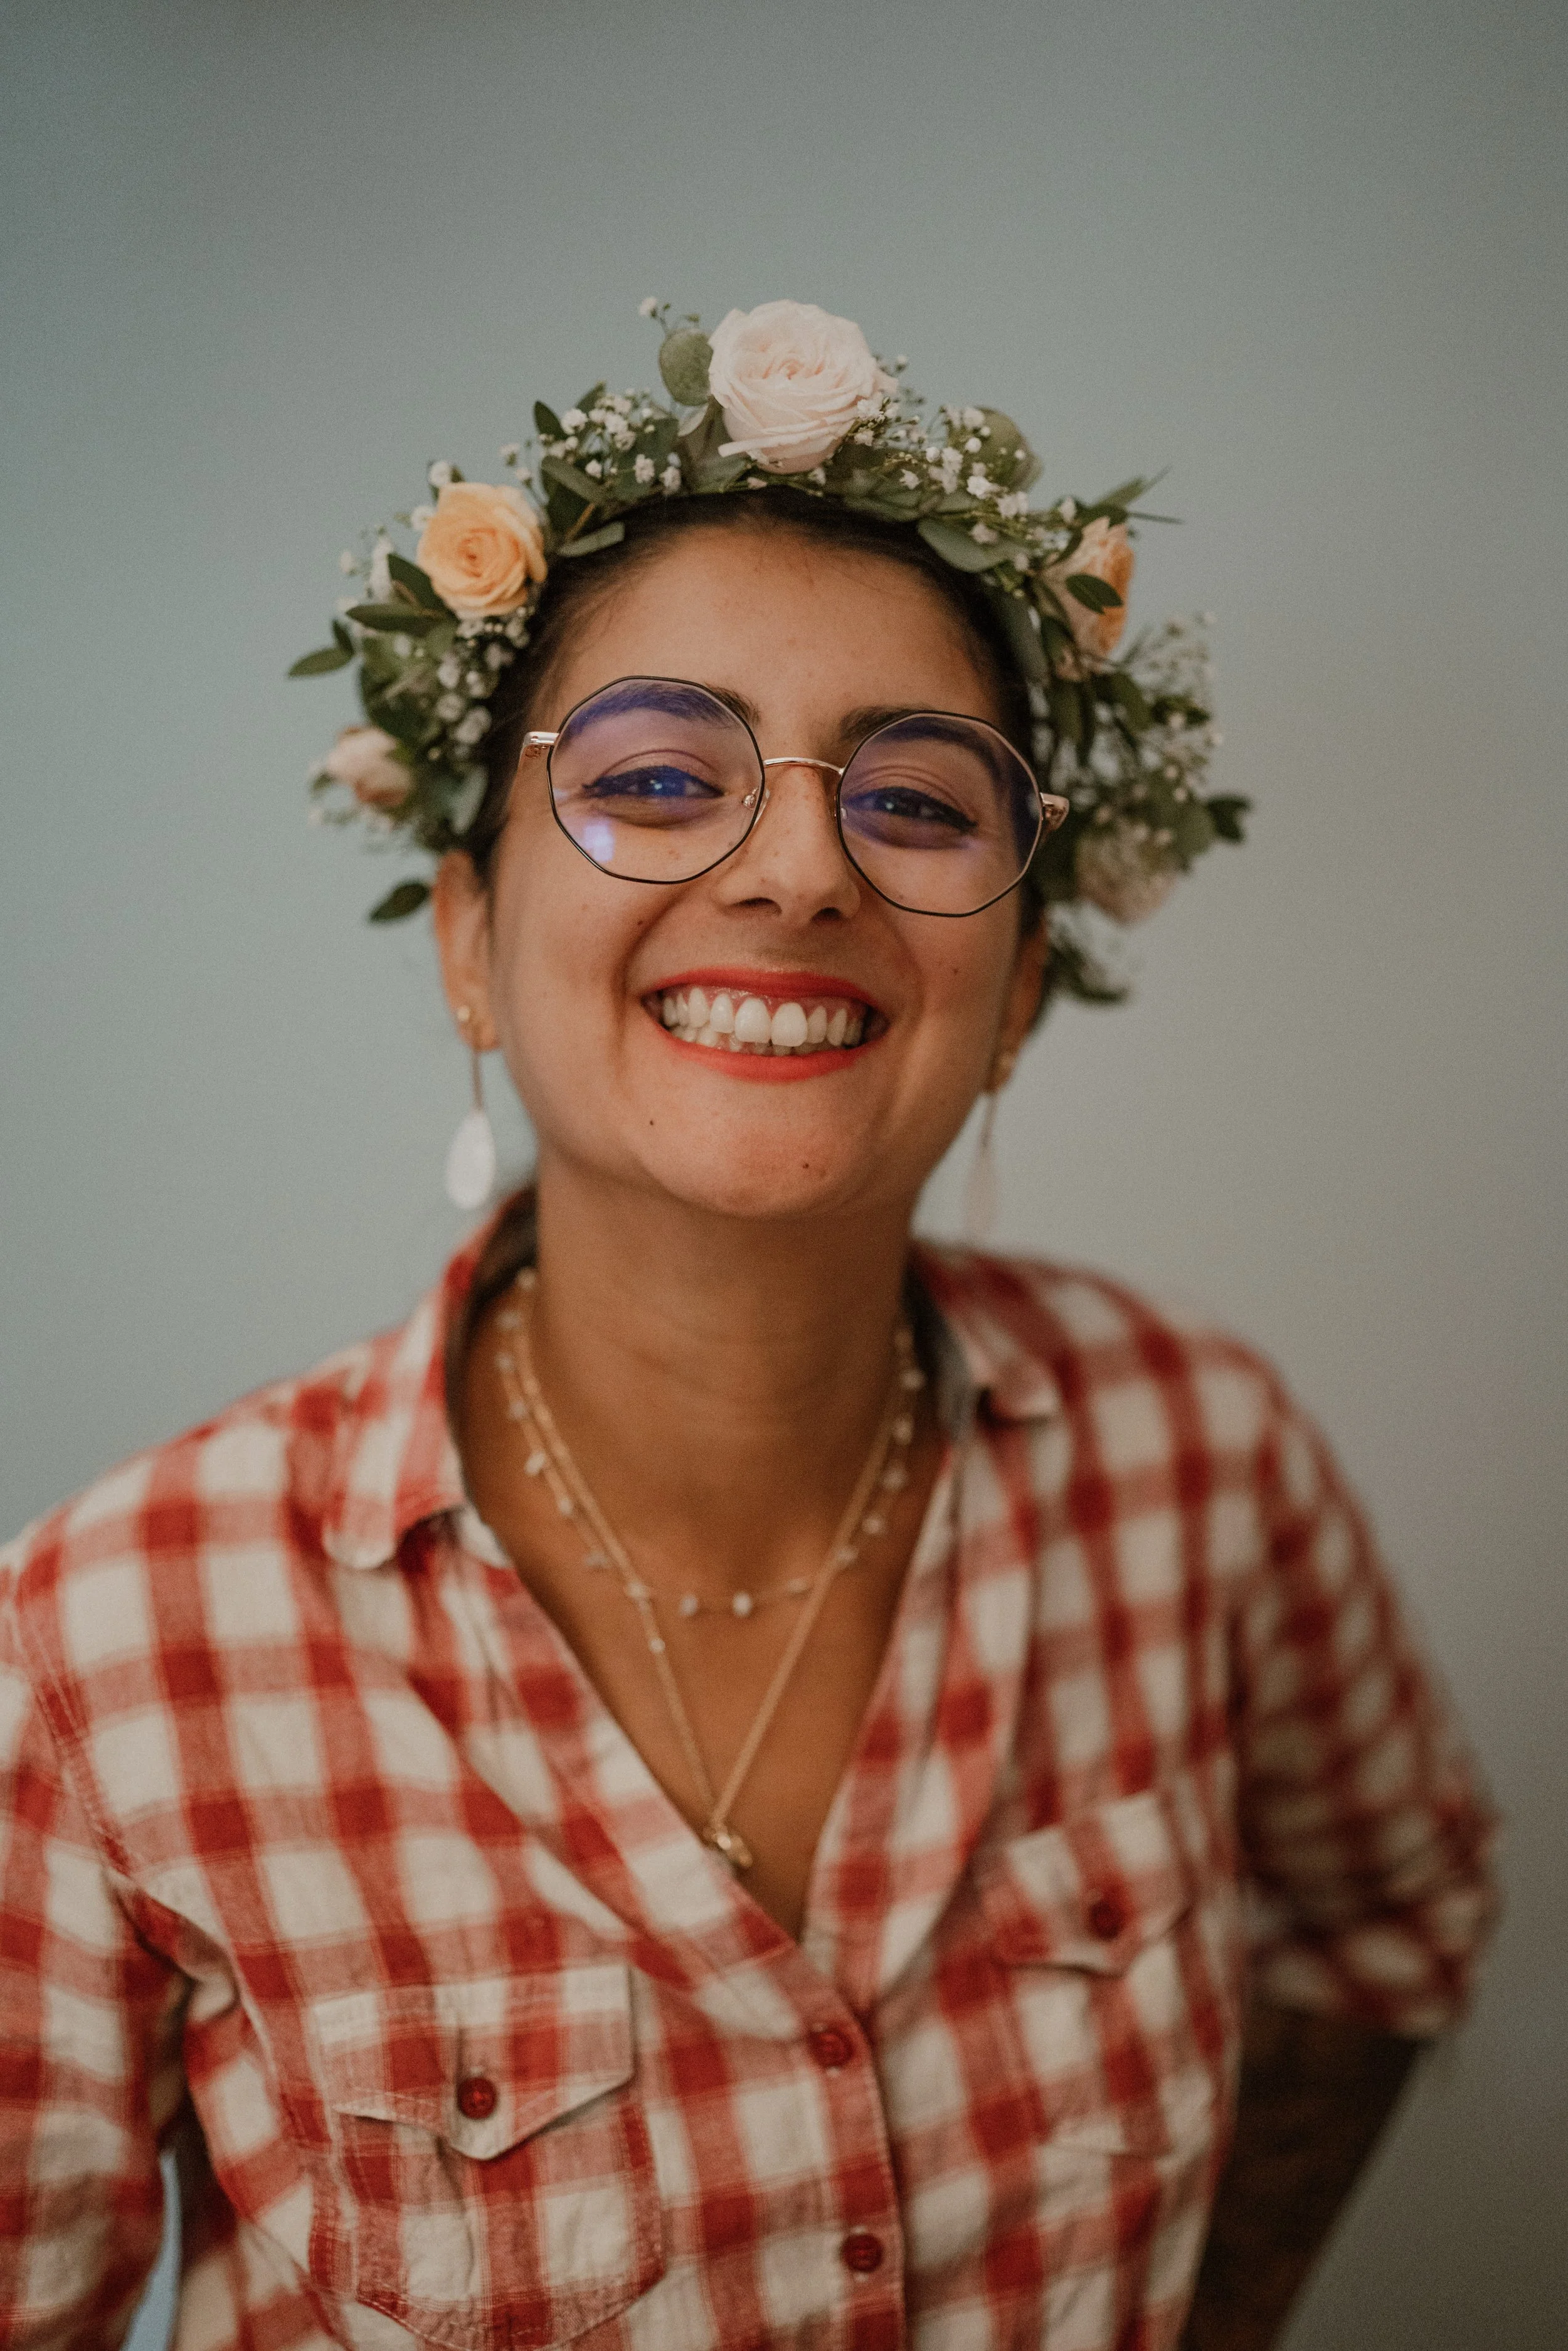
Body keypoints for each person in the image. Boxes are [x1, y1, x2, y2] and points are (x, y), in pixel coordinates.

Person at [0, 299, 1495, 2351]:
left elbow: (1392, 1917)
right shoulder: (105, 1648)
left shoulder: (1199, 1452)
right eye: (655, 774)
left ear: (1023, 989)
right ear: (466, 937)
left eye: (915, 803)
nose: (795, 865)